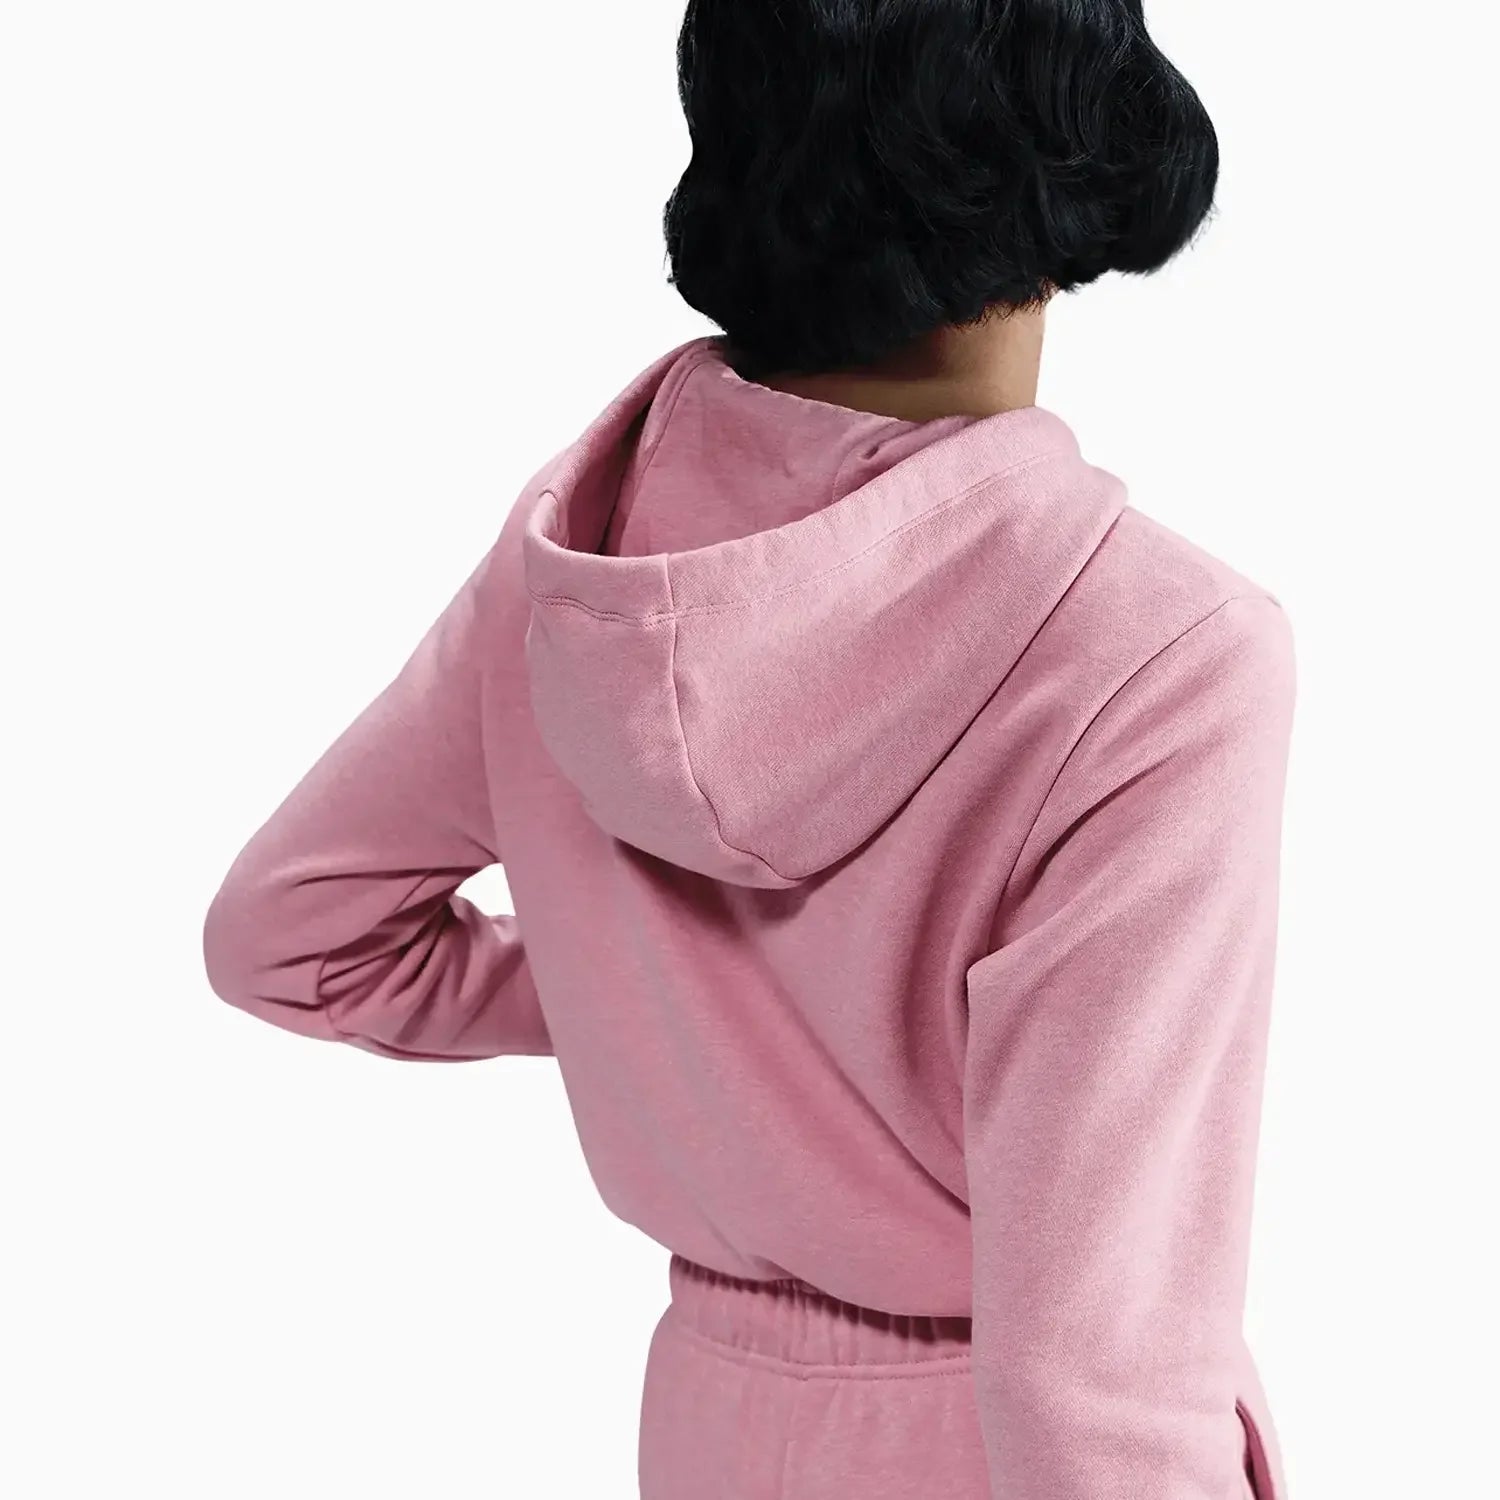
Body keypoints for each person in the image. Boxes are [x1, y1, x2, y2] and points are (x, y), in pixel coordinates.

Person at [203, 2, 1293, 1496]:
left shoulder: (588, 567)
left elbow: (292, 935)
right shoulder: (1158, 652)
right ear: (1086, 131)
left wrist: (666, 1010)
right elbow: (1093, 1372)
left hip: (709, 1433)